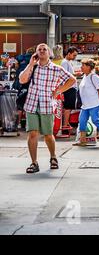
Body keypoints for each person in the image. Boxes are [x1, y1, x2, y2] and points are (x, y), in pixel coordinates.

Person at [19, 43, 77, 174]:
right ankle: (34, 163)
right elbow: (22, 80)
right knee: (32, 133)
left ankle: (53, 157)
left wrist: (58, 91)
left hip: (47, 104)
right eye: (39, 49)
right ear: (36, 53)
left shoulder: (56, 69)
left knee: (48, 135)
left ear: (49, 52)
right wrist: (30, 64)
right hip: (31, 104)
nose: (42, 51)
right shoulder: (32, 67)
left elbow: (72, 80)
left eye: (44, 49)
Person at [60, 47, 82, 131]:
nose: (75, 57)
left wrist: (75, 74)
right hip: (69, 87)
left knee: (68, 107)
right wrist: (77, 75)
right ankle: (65, 126)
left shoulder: (67, 62)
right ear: (69, 53)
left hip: (70, 87)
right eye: (74, 55)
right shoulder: (65, 62)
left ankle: (66, 125)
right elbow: (65, 76)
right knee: (68, 107)